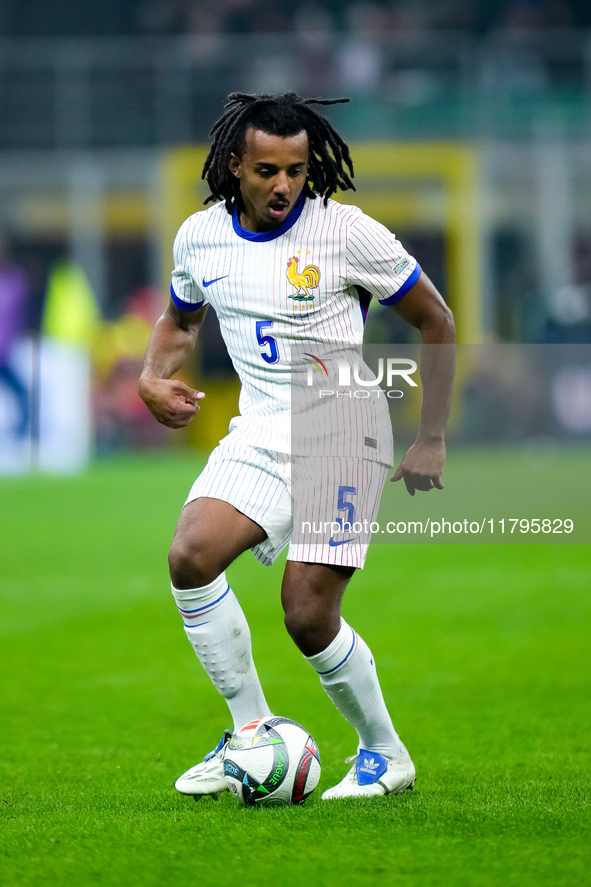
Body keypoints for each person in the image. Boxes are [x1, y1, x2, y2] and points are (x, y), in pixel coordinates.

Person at [139, 92, 455, 801]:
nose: (284, 185)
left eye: (296, 169)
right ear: (234, 167)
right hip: (260, 430)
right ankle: (249, 734)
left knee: (306, 609)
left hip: (342, 427)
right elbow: (179, 318)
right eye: (267, 170)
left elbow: (434, 318)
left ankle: (384, 753)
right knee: (190, 556)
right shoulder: (199, 237)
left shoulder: (345, 232)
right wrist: (152, 377)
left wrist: (431, 435)